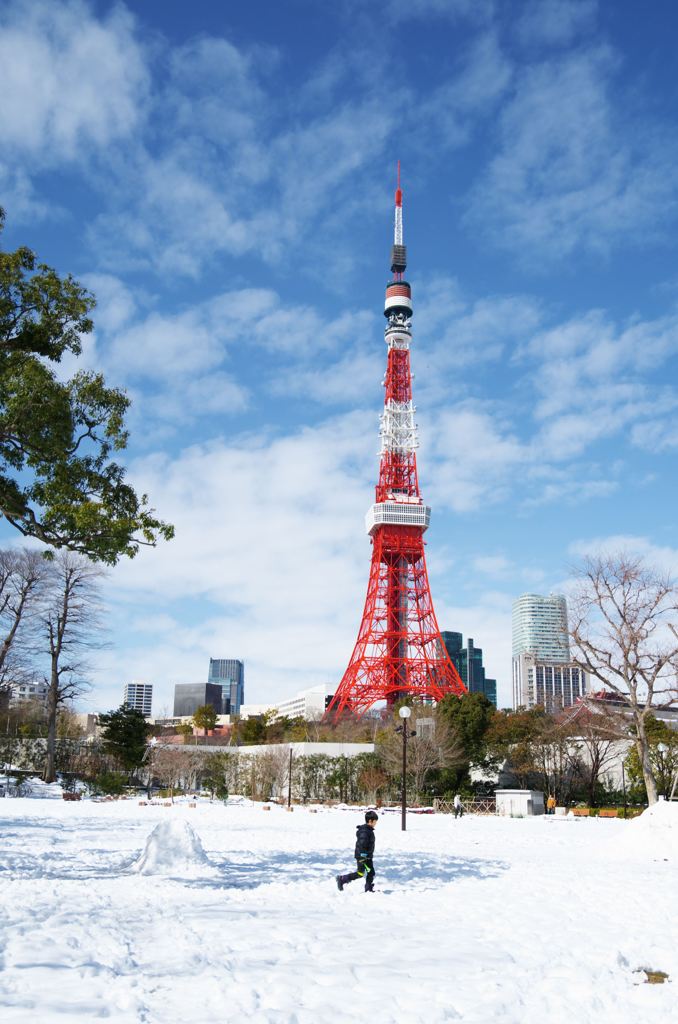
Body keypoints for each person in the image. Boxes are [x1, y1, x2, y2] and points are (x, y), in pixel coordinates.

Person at [336, 810, 378, 893]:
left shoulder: (368, 830)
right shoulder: (365, 831)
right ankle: (342, 879)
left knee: (369, 872)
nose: (375, 823)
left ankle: (368, 887)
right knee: (362, 873)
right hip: (363, 857)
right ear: (370, 821)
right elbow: (362, 844)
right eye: (375, 821)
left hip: (367, 856)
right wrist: (363, 856)